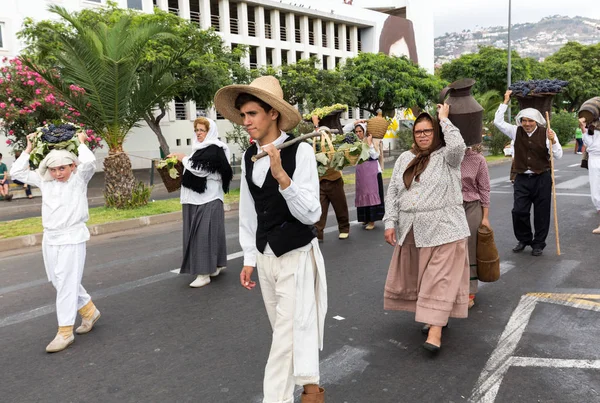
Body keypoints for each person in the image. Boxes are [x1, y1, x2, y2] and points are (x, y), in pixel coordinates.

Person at [214, 75, 327, 403]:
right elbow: (248, 213)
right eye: (243, 116)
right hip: (266, 258)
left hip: (296, 256)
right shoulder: (250, 158)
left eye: (252, 114)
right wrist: (249, 257)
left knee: (283, 341)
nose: (245, 122)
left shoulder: (300, 152)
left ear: (273, 114)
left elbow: (311, 214)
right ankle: (311, 392)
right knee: (288, 334)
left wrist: (282, 177)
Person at [383, 104, 470, 353]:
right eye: (418, 131)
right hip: (413, 228)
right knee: (423, 279)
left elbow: (458, 147)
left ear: (436, 132)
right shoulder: (404, 158)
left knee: (438, 279)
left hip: (446, 228)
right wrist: (390, 222)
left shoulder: (447, 157)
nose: (422, 135)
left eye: (428, 131)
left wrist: (444, 119)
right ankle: (435, 317)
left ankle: (435, 331)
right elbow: (393, 192)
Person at [10, 132, 100, 353]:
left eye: (63, 168)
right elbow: (17, 172)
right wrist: (29, 148)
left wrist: (80, 144)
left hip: (73, 237)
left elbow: (89, 162)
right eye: (54, 169)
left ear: (71, 166)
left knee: (67, 284)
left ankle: (65, 332)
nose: (58, 173)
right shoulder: (44, 181)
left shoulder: (79, 180)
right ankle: (89, 310)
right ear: (48, 169)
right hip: (50, 238)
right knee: (58, 281)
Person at [494, 90, 563, 256]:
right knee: (519, 211)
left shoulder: (547, 134)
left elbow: (558, 155)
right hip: (522, 178)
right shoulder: (515, 131)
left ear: (537, 121)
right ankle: (524, 239)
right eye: (523, 120)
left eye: (530, 120)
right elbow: (497, 122)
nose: (527, 124)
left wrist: (553, 141)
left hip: (542, 178)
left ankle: (538, 243)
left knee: (541, 213)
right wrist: (505, 101)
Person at [168, 117, 233, 288]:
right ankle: (215, 266)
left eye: (202, 130)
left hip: (209, 198)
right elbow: (194, 166)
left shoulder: (216, 149)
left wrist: (183, 159)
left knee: (202, 235)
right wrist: (179, 158)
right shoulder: (199, 149)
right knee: (209, 232)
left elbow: (201, 170)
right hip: (197, 198)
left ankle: (204, 273)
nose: (198, 133)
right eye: (196, 130)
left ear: (210, 131)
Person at [460, 143, 491, 309]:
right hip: (450, 207)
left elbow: (484, 188)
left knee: (470, 247)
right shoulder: (444, 156)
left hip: (472, 206)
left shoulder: (478, 160)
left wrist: (485, 217)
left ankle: (470, 291)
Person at [312, 115, 350, 241]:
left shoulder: (334, 144)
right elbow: (313, 136)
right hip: (321, 182)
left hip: (335, 180)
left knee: (340, 206)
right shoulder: (315, 144)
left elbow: (346, 133)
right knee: (320, 209)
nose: (323, 137)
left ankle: (344, 228)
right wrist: (316, 126)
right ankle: (318, 232)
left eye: (325, 134)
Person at [343, 120, 385, 230]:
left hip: (372, 172)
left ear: (364, 131)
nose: (358, 133)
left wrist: (370, 144)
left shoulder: (372, 140)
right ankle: (365, 218)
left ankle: (372, 221)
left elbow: (375, 156)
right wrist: (355, 122)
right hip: (361, 172)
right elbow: (344, 130)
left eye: (360, 131)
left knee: (371, 194)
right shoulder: (355, 141)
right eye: (356, 131)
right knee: (362, 193)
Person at [579, 119, 600, 234]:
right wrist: (583, 128)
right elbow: (588, 143)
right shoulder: (592, 124)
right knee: (596, 193)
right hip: (594, 159)